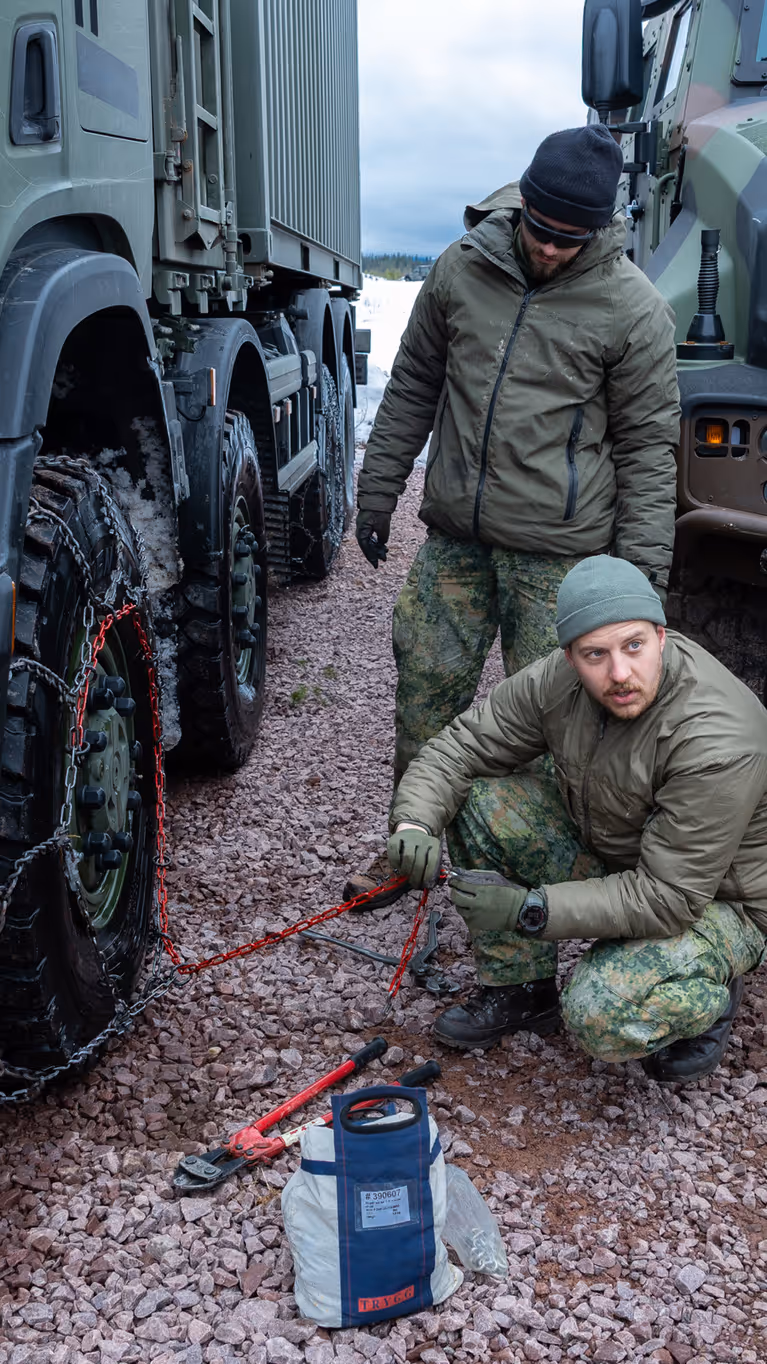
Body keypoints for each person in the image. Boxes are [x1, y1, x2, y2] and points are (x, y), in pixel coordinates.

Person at [347, 124, 680, 905]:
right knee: (424, 692)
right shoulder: (462, 270)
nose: (552, 250)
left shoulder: (632, 309)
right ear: (521, 207)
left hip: (560, 561)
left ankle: (528, 884)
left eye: (572, 239)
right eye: (542, 230)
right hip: (456, 545)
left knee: (551, 728)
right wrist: (377, 491)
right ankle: (411, 845)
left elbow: (646, 451)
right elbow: (411, 390)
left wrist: (638, 580)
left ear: (596, 231)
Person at [385, 557, 767, 1082]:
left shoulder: (716, 739)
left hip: (713, 899)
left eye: (634, 645)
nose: (619, 673)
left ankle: (708, 987)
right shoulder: (557, 683)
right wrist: (414, 824)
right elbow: (461, 748)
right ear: (570, 656)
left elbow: (668, 897)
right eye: (595, 655)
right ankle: (521, 990)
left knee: (598, 1014)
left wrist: (531, 910)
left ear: (661, 634)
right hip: (622, 852)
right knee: (477, 803)